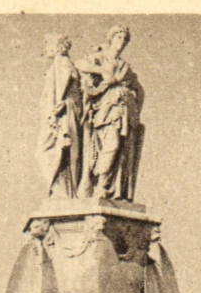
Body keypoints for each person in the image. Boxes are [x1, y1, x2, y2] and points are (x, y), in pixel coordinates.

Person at [76, 25, 143, 200]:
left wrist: (136, 110)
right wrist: (101, 71)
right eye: (119, 37)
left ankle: (106, 188)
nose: (122, 42)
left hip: (125, 112)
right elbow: (80, 64)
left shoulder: (125, 66)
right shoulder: (101, 57)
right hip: (106, 110)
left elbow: (139, 90)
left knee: (120, 151)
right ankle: (100, 184)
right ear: (111, 38)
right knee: (110, 146)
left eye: (125, 39)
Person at [37, 34, 83, 198]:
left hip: (60, 117)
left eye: (48, 44)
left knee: (47, 152)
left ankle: (62, 192)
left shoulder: (62, 63)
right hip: (58, 115)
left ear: (58, 46)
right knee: (54, 153)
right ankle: (61, 191)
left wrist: (61, 106)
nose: (45, 48)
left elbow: (66, 93)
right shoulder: (61, 64)